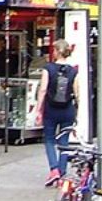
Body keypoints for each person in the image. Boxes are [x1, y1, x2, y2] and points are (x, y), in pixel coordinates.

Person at [37, 40, 80, 187]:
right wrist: (78, 112)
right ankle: (62, 174)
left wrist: (38, 109)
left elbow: (43, 90)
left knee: (49, 140)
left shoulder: (48, 68)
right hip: (67, 110)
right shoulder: (73, 71)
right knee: (64, 142)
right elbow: (77, 93)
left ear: (56, 51)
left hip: (51, 109)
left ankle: (54, 169)